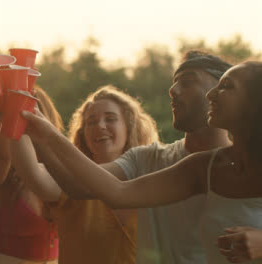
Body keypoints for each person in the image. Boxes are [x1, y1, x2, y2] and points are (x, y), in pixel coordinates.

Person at [24, 60, 262, 264]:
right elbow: (115, 192)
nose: (173, 90)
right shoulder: (203, 168)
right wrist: (45, 136)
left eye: (226, 86)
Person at [10, 85, 159, 263]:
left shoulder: (150, 179)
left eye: (110, 119)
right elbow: (32, 173)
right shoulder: (68, 178)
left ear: (129, 126)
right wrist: (14, 112)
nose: (101, 126)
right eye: (91, 121)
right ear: (83, 133)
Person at [0, 86, 63, 264]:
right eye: (19, 114)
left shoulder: (61, 174)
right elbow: (0, 155)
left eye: (30, 113)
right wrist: (9, 111)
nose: (24, 120)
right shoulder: (1, 173)